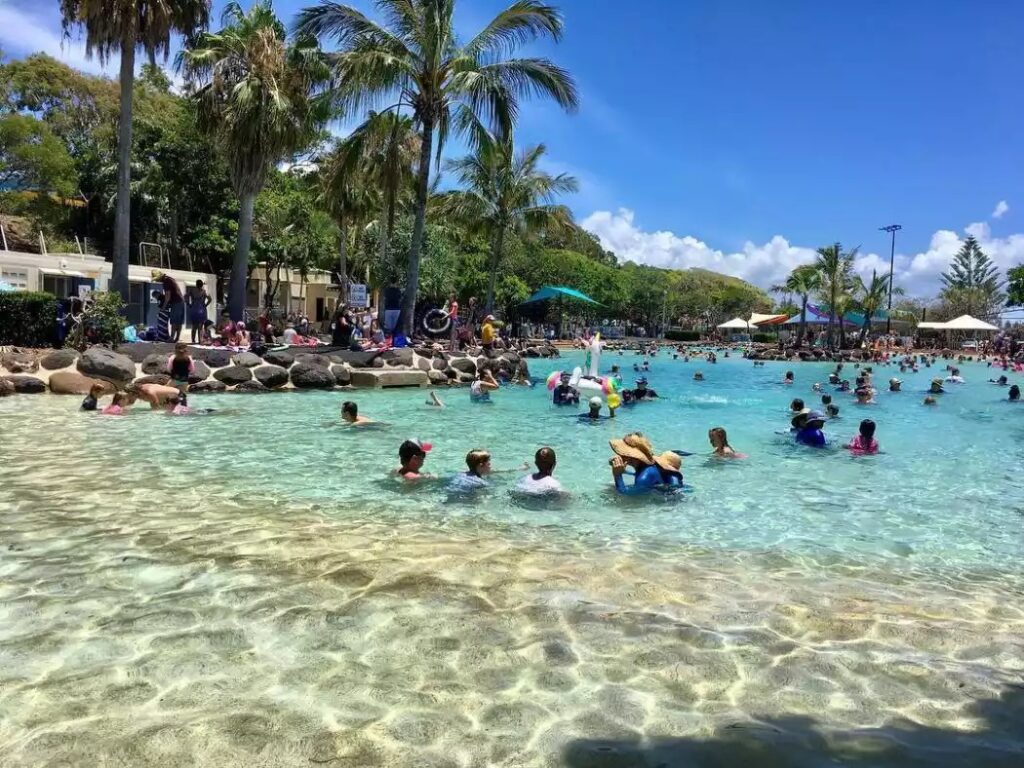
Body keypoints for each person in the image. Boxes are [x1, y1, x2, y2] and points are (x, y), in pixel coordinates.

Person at [609, 433, 683, 495]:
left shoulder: (646, 474)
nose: (620, 454)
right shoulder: (648, 467)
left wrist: (617, 475)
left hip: (670, 501)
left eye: (623, 452)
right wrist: (623, 471)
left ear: (630, 456)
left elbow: (626, 494)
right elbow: (637, 475)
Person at [155, 272, 186, 343]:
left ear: (160, 278)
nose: (157, 281)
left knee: (174, 321)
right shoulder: (170, 279)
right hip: (181, 301)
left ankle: (172, 338)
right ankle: (177, 338)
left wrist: (163, 307)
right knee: (179, 322)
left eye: (157, 279)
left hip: (176, 302)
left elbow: (167, 297)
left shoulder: (166, 282)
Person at [187, 280, 211, 344]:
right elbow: (210, 299)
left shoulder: (192, 290)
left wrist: (188, 304)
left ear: (196, 284)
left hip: (194, 309)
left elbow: (185, 297)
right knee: (200, 327)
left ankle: (193, 340)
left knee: (194, 326)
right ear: (202, 285)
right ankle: (200, 340)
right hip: (201, 310)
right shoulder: (204, 291)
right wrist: (205, 305)